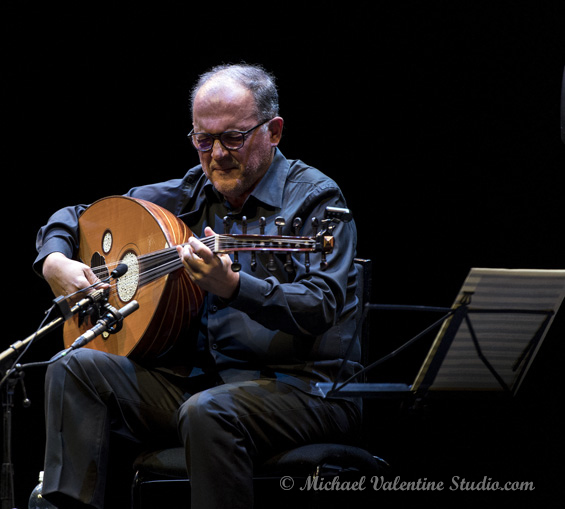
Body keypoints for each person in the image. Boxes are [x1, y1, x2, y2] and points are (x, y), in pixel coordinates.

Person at [33, 63, 362, 509]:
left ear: (275, 131)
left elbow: (321, 306)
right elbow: (78, 216)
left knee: (208, 410)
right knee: (73, 366)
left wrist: (233, 286)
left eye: (233, 138)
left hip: (306, 391)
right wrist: (53, 259)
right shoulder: (191, 192)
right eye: (203, 140)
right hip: (200, 383)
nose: (217, 155)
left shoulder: (315, 199)